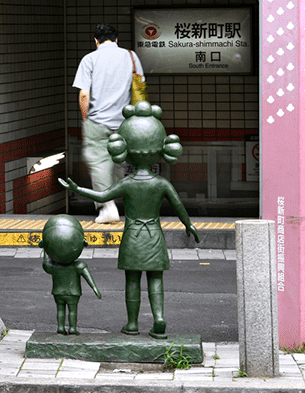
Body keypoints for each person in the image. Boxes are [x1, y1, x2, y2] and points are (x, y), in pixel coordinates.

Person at [59, 102, 200, 339]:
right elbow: (178, 206)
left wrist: (78, 188)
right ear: (161, 147)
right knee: (156, 279)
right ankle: (159, 318)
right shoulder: (161, 183)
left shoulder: (128, 183)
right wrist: (189, 225)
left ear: (124, 148)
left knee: (132, 280)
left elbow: (102, 196)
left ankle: (132, 324)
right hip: (154, 236)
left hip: (133, 237)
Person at [71, 23, 144, 223]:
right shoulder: (131, 56)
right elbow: (139, 90)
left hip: (97, 121)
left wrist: (86, 118)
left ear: (96, 41)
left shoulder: (89, 59)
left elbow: (84, 94)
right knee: (119, 163)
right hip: (124, 122)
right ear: (116, 39)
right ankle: (118, 200)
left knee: (99, 163)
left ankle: (107, 206)